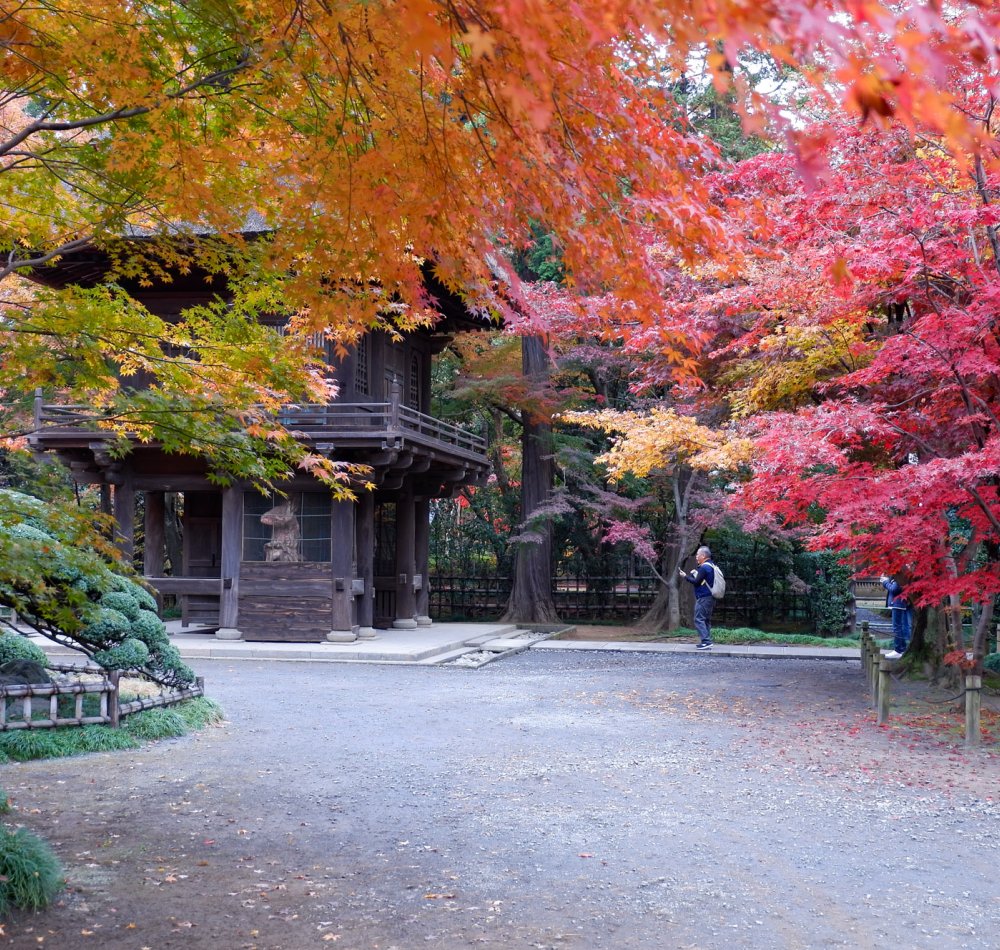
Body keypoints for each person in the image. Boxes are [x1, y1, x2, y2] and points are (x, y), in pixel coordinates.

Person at [679, 546, 718, 650]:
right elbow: (703, 580)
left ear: (703, 556)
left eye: (697, 555)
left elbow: (696, 582)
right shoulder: (712, 565)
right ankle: (707, 641)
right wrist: (695, 574)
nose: (696, 557)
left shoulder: (704, 567)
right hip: (711, 596)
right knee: (706, 620)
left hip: (704, 597)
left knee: (698, 619)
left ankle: (706, 641)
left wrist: (685, 576)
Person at [880, 573, 910, 659]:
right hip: (898, 603)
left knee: (897, 627)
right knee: (901, 627)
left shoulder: (900, 576)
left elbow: (894, 589)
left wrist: (885, 582)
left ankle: (898, 650)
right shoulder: (896, 576)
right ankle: (902, 649)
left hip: (898, 603)